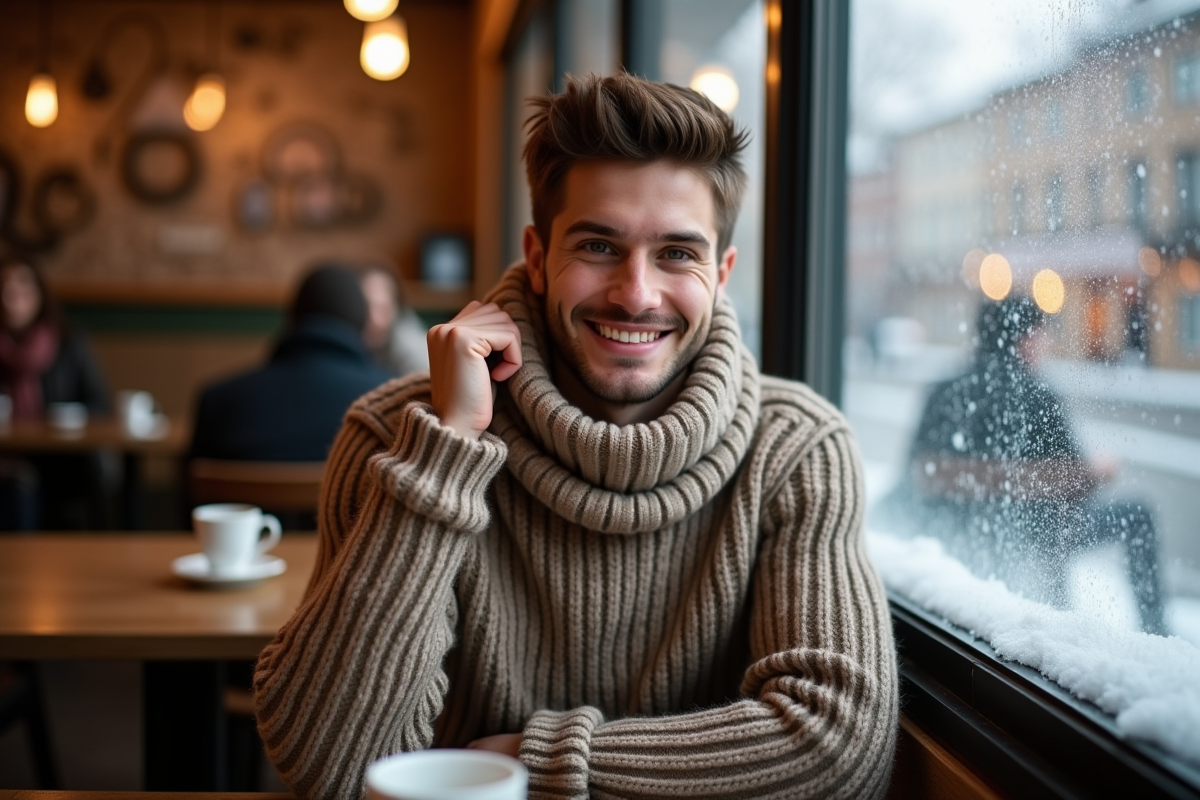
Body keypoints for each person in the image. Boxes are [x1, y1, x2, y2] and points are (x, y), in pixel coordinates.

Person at [254, 73, 898, 799]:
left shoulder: (798, 450)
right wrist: (447, 451)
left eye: (678, 254)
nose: (637, 293)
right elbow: (329, 767)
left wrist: (538, 765)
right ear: (537, 257)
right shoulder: (392, 435)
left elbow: (838, 747)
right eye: (598, 245)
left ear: (721, 274)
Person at [877, 295, 1167, 635]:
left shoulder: (943, 390)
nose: (1046, 344)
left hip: (957, 527)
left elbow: (915, 471)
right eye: (1042, 334)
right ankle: (1156, 630)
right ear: (1023, 338)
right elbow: (1070, 484)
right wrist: (1100, 472)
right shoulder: (1036, 397)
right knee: (1138, 514)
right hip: (1027, 531)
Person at [189, 264, 391, 462]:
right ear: (363, 324)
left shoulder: (219, 402)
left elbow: (190, 490)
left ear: (292, 318)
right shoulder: (391, 403)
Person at [0, 254, 111, 529]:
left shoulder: (69, 342)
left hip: (60, 461)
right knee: (15, 486)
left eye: (22, 287)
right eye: (4, 288)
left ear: (39, 294)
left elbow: (101, 404)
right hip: (5, 460)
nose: (11, 297)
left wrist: (68, 416)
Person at [357, 263, 430, 377]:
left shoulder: (414, 354)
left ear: (397, 309)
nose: (374, 319)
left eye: (382, 309)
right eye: (365, 307)